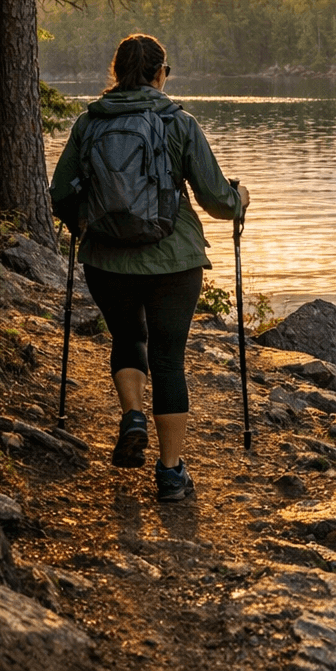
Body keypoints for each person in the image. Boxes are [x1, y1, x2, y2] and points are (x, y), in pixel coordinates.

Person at [50, 34, 248, 502]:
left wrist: (91, 222)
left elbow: (61, 194)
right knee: (168, 358)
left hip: (105, 259)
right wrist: (240, 199)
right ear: (161, 74)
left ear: (115, 73)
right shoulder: (179, 123)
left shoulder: (88, 124)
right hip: (173, 260)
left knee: (126, 338)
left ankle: (133, 414)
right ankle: (171, 472)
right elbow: (217, 200)